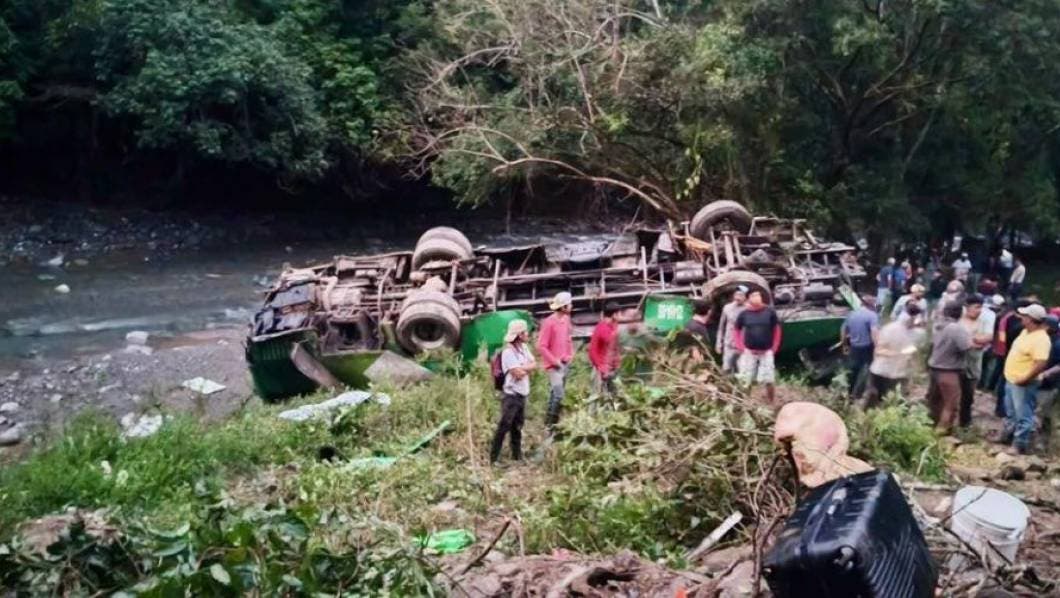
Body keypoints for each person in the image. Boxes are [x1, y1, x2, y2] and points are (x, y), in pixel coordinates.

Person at [1001, 303, 1051, 454]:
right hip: (1011, 378)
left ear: (1031, 319)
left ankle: (1019, 444)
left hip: (1023, 382)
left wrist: (1025, 378)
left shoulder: (1041, 339)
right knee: (1011, 411)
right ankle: (1008, 436)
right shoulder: (1025, 332)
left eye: (1024, 316)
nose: (1021, 317)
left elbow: (1041, 363)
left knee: (1024, 414)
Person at [490, 319, 536, 464]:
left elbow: (534, 364)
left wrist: (523, 367)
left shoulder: (524, 348)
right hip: (511, 395)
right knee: (504, 426)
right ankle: (494, 458)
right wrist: (525, 368)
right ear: (519, 334)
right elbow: (518, 374)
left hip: (522, 394)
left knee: (517, 426)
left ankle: (516, 456)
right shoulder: (508, 353)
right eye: (525, 332)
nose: (527, 334)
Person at [926, 302, 973, 434]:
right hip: (949, 370)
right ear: (961, 313)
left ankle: (929, 426)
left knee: (934, 401)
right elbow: (966, 347)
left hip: (934, 368)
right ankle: (942, 431)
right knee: (950, 404)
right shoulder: (957, 329)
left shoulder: (937, 325)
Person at [863, 302, 921, 408]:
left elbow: (913, 354)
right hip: (882, 371)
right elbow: (879, 350)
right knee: (874, 398)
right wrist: (897, 354)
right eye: (914, 319)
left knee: (895, 402)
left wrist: (913, 372)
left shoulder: (916, 333)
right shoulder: (890, 329)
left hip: (899, 374)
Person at [734, 290, 781, 404]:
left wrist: (775, 346)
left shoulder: (769, 312)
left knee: (769, 379)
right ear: (748, 298)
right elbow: (736, 329)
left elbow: (777, 329)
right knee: (746, 380)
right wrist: (739, 345)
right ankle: (745, 402)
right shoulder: (744, 314)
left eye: (758, 295)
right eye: (754, 295)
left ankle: (771, 402)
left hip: (766, 352)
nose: (757, 297)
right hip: (749, 352)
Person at [538, 291, 574, 429]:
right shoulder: (549, 323)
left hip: (564, 363)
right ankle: (550, 425)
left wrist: (569, 354)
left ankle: (551, 422)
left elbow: (568, 338)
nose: (571, 306)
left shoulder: (566, 320)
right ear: (564, 307)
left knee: (556, 394)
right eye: (569, 304)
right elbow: (541, 346)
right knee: (559, 395)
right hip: (554, 365)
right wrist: (554, 361)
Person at [958, 295, 994, 428]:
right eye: (976, 307)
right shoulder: (959, 319)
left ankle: (965, 422)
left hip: (973, 363)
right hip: (957, 363)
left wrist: (970, 340)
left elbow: (987, 338)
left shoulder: (984, 321)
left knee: (968, 394)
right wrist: (974, 340)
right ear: (967, 307)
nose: (979, 310)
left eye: (981, 307)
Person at [841, 296, 879, 400]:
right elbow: (874, 333)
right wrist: (877, 348)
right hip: (867, 347)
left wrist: (844, 345)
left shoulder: (851, 314)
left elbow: (844, 330)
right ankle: (863, 394)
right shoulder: (872, 316)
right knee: (868, 370)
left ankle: (849, 394)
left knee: (853, 370)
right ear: (871, 305)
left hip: (854, 347)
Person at [1035, 316, 1060, 449]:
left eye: (1044, 325)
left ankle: (1043, 442)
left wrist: (1046, 373)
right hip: (1037, 382)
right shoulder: (1044, 340)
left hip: (1049, 385)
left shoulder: (1057, 344)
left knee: (1044, 414)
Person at [588, 302, 621, 397]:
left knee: (613, 395)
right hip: (601, 368)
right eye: (619, 314)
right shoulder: (603, 328)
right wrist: (602, 368)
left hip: (609, 367)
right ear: (614, 315)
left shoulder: (613, 325)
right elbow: (592, 352)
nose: (621, 316)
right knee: (596, 396)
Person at [714, 286, 748, 372]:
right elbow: (721, 327)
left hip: (743, 345)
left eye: (741, 295)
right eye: (736, 294)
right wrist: (718, 343)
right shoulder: (727, 308)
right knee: (727, 368)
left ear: (745, 297)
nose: (738, 297)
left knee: (742, 369)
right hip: (729, 343)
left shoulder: (749, 309)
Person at [979, 295, 1007, 392]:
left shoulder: (993, 316)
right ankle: (984, 385)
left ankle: (982, 385)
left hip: (989, 343)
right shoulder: (999, 317)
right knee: (988, 366)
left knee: (986, 365)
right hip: (992, 344)